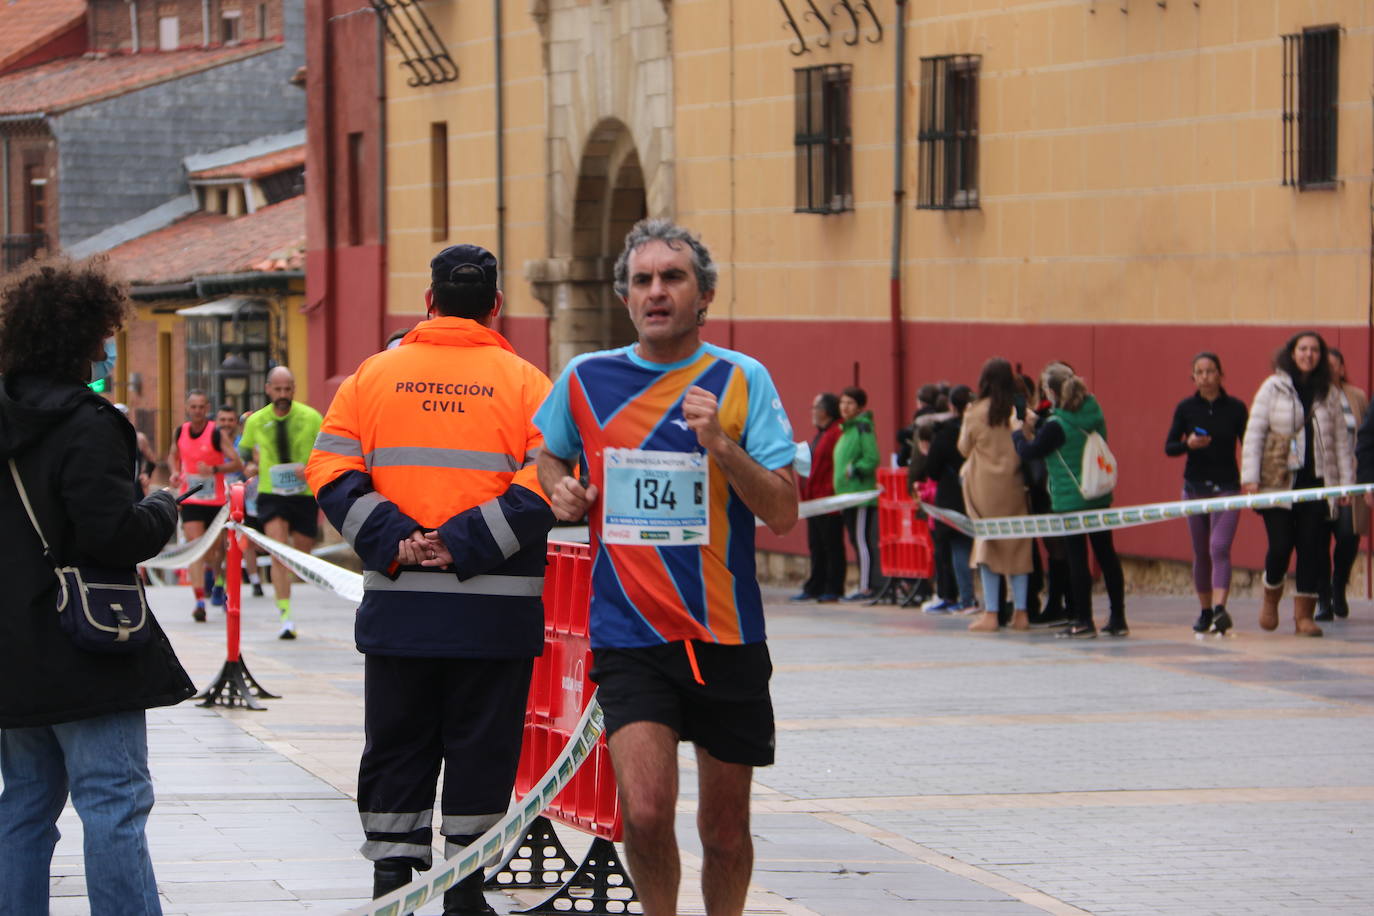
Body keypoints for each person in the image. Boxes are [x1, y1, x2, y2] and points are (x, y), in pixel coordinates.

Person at [534, 219, 798, 916]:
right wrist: (558, 485)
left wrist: (720, 443)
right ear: (626, 297)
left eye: (672, 278)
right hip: (630, 635)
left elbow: (782, 511)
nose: (656, 292)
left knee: (725, 829)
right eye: (643, 280)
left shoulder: (742, 381)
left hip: (724, 634)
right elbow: (548, 452)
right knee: (646, 813)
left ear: (704, 294)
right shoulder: (587, 380)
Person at [306, 243, 555, 915]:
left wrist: (399, 542)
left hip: (400, 616)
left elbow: (328, 471)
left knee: (398, 747)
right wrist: (465, 543)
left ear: (429, 302)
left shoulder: (370, 377)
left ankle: (394, 887)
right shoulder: (530, 384)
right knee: (482, 753)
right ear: (496, 306)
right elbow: (551, 481)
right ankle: (465, 891)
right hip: (495, 622)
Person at [0, 256, 195, 915]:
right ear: (86, 338)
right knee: (113, 800)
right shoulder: (90, 424)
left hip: (12, 643)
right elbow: (112, 535)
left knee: (26, 801)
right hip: (85, 643)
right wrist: (164, 505)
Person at [1241, 331, 1354, 637]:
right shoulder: (1273, 387)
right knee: (1280, 546)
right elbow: (1255, 433)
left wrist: (1344, 485)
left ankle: (1304, 616)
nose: (1308, 355)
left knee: (1311, 549)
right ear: (1292, 353)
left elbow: (1341, 442)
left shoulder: (1328, 393)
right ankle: (1270, 595)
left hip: (1316, 483)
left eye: (1315, 350)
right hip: (1277, 482)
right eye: (1303, 349)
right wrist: (1250, 477)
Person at [1016, 363, 1127, 638]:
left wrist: (1019, 432)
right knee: (1107, 556)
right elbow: (1065, 429)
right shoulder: (1093, 411)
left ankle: (1083, 619)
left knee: (1077, 561)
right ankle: (1118, 618)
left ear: (1052, 392)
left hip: (1071, 499)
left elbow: (1030, 451)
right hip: (1098, 494)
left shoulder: (1056, 425)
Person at [1164, 352, 1249, 636]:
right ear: (1193, 378)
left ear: (1220, 374)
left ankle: (1220, 608)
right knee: (1201, 551)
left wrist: (1252, 478)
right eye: (1199, 372)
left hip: (1227, 487)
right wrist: (1188, 443)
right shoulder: (1186, 408)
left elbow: (1249, 443)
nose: (1205, 377)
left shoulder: (1236, 408)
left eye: (1210, 371)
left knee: (1219, 546)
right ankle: (1204, 610)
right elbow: (1169, 447)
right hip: (1194, 487)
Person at [238, 366, 323, 638]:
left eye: (287, 389)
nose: (282, 395)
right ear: (268, 389)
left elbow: (327, 450)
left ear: (294, 389)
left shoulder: (312, 417)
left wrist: (310, 467)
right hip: (271, 492)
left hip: (303, 493)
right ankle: (285, 615)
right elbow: (245, 454)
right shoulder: (255, 421)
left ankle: (288, 599)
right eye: (277, 389)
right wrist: (250, 466)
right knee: (278, 551)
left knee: (301, 552)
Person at [960, 359, 1032, 632]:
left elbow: (964, 447)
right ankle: (1021, 613)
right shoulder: (1018, 408)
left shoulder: (975, 411)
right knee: (1018, 544)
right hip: (1015, 483)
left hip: (984, 486)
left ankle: (991, 613)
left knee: (987, 545)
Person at [167, 389, 242, 621]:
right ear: (187, 408)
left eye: (201, 407)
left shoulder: (216, 434)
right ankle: (200, 601)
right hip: (191, 499)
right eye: (193, 407)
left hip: (216, 501)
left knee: (215, 551)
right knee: (196, 548)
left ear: (207, 409)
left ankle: (218, 580)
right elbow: (173, 455)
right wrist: (174, 473)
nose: (197, 411)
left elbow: (237, 462)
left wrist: (215, 470)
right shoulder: (180, 431)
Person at [1319, 348, 1367, 621]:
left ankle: (1339, 584)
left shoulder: (1356, 396)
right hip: (1321, 480)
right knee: (1318, 539)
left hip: (1352, 480)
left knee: (1348, 534)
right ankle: (1323, 596)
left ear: (1341, 368)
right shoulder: (1311, 396)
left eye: (1333, 365)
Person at [919, 385, 976, 613]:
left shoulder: (945, 434)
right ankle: (988, 600)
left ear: (952, 406)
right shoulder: (979, 427)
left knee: (957, 548)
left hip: (952, 496)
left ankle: (965, 598)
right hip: (976, 492)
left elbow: (931, 469)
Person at [792, 392, 845, 602]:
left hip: (828, 500)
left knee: (831, 546)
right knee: (816, 545)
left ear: (824, 411)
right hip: (814, 501)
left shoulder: (835, 434)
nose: (812, 413)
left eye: (814, 408)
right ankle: (816, 585)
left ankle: (833, 587)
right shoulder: (821, 434)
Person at [834, 386, 883, 601]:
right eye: (842, 402)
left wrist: (855, 468)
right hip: (847, 495)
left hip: (861, 494)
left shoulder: (863, 428)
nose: (845, 407)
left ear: (860, 407)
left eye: (850, 403)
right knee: (855, 540)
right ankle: (866, 584)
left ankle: (866, 587)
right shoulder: (846, 430)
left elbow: (872, 458)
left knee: (862, 541)